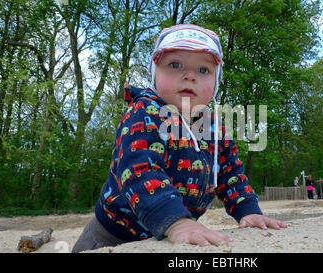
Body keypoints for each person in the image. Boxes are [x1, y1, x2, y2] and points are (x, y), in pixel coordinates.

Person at [72, 24, 286, 253]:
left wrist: (248, 211)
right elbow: (139, 170)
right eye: (175, 65)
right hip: (112, 236)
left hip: (172, 236)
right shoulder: (144, 113)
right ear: (155, 72)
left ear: (216, 81)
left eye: (204, 70)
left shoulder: (215, 128)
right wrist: (176, 221)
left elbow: (230, 175)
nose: (189, 76)